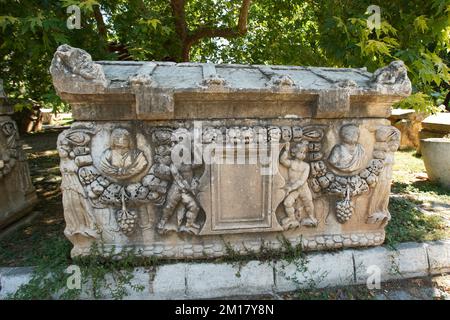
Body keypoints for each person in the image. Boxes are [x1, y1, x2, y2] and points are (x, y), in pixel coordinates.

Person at [280, 141, 317, 229]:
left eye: (304, 153)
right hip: (294, 190)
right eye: (301, 152)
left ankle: (312, 218)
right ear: (294, 152)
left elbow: (301, 181)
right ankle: (292, 219)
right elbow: (282, 160)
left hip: (303, 189)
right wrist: (286, 150)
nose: (303, 154)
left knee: (308, 203)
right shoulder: (292, 163)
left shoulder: (306, 166)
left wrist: (291, 188)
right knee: (287, 203)